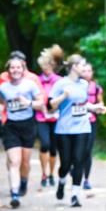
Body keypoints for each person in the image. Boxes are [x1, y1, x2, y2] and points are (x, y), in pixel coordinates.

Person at [0, 58, 44, 208]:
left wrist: (28, 103)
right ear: (8, 71)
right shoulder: (3, 88)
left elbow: (41, 103)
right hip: (11, 126)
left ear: (23, 69)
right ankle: (14, 193)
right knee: (14, 161)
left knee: (25, 162)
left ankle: (23, 181)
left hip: (28, 125)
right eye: (12, 68)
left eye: (18, 68)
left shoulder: (30, 85)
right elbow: (1, 102)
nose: (15, 70)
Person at [48, 54, 92, 207]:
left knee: (79, 160)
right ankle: (61, 182)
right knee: (66, 163)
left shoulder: (84, 84)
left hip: (83, 127)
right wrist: (63, 96)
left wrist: (95, 108)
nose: (85, 68)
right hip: (64, 129)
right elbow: (50, 106)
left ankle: (75, 195)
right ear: (74, 67)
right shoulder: (61, 84)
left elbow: (83, 104)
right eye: (82, 65)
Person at [35, 45, 65, 188]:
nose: (45, 68)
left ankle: (52, 173)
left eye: (48, 65)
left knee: (54, 148)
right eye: (43, 65)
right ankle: (43, 173)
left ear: (52, 65)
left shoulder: (59, 80)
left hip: (56, 117)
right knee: (44, 144)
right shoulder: (37, 80)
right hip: (41, 117)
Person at [80, 62, 106, 189]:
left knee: (87, 150)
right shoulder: (74, 85)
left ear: (92, 72)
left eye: (89, 71)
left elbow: (100, 102)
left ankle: (86, 179)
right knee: (77, 150)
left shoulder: (96, 87)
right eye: (84, 70)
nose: (86, 73)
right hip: (76, 122)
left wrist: (101, 108)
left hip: (91, 121)